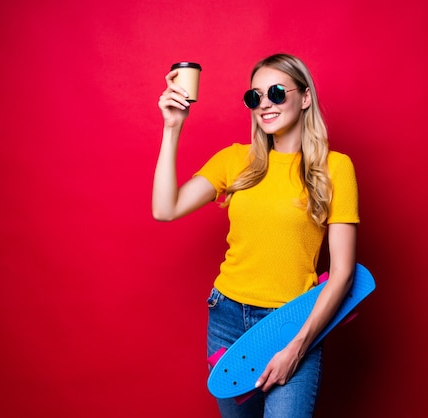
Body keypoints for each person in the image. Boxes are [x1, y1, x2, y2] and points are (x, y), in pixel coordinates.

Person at [152, 53, 359, 418]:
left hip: (294, 322)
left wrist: (297, 347)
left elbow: (342, 273)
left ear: (305, 97)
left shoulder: (335, 168)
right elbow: (164, 209)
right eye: (255, 97)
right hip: (228, 319)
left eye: (277, 93)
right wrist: (172, 127)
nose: (265, 104)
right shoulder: (236, 161)